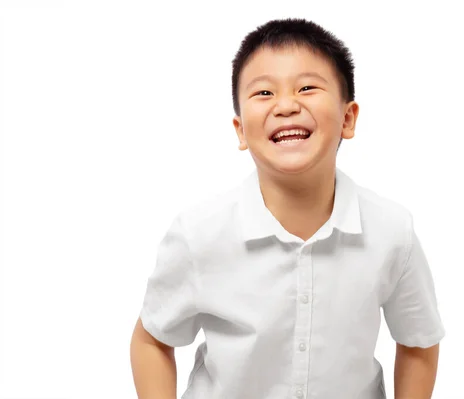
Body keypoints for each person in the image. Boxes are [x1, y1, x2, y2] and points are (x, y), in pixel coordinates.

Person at [130, 18, 445, 399]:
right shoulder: (199, 233)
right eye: (263, 93)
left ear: (348, 118)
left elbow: (418, 341)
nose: (285, 105)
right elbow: (152, 339)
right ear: (241, 130)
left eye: (307, 87)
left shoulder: (392, 231)